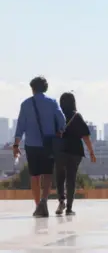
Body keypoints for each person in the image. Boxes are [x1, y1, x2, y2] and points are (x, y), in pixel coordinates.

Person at [12, 76, 65, 217]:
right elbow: (62, 121)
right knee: (47, 174)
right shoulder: (52, 102)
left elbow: (20, 127)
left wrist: (16, 144)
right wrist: (58, 132)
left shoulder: (26, 104)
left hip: (32, 145)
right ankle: (44, 201)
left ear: (33, 89)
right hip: (48, 144)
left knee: (34, 176)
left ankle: (38, 206)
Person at [55, 92, 97, 216]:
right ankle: (69, 208)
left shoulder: (57, 116)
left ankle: (61, 201)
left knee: (60, 177)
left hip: (60, 151)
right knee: (71, 179)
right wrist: (91, 153)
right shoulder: (77, 117)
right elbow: (86, 137)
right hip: (75, 152)